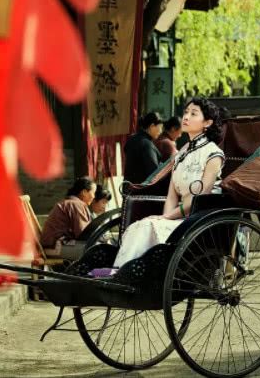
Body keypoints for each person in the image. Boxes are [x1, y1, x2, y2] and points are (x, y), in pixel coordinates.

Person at [113, 98, 225, 268]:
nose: (186, 117)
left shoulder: (213, 154)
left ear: (207, 123)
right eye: (186, 112)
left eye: (193, 114)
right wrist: (164, 218)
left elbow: (200, 197)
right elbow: (172, 194)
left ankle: (124, 271)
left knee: (148, 226)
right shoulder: (181, 154)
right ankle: (122, 271)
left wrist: (167, 217)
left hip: (198, 219)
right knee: (140, 225)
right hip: (179, 217)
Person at [40, 177, 96, 257]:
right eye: (93, 192)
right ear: (84, 192)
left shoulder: (71, 203)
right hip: (55, 247)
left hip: (53, 245)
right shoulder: (76, 204)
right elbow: (83, 234)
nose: (94, 196)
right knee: (96, 250)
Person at [123, 112, 163, 184]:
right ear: (152, 126)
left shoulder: (132, 139)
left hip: (128, 186)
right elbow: (154, 172)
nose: (161, 131)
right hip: (141, 188)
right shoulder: (146, 144)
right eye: (160, 127)